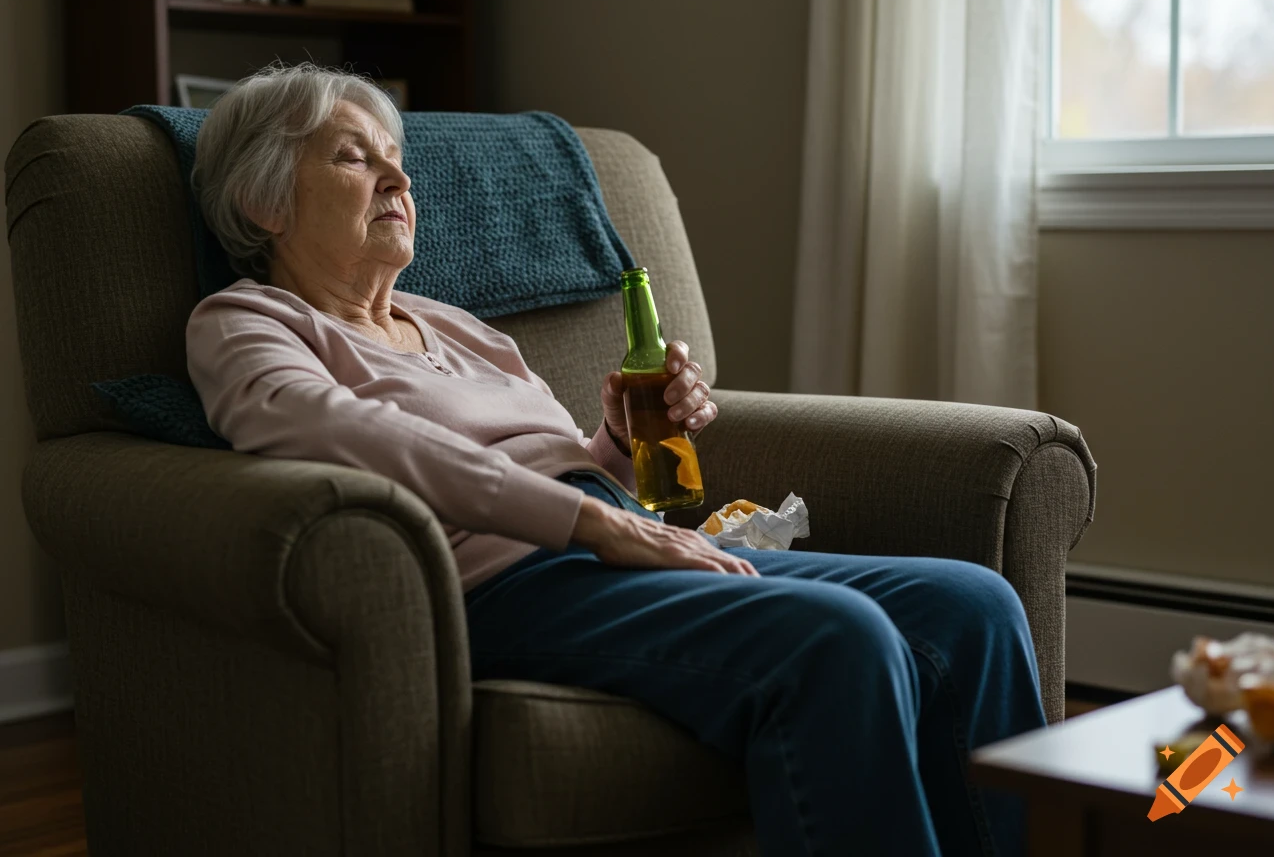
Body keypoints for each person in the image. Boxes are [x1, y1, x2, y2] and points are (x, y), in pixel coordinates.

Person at [186, 62, 1046, 856]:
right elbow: (341, 432)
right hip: (504, 585)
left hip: (607, 540)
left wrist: (623, 444)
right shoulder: (247, 323)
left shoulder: (455, 324)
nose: (400, 179)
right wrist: (593, 520)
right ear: (265, 201)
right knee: (841, 640)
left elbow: (567, 465)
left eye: (397, 159)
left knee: (974, 603)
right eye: (353, 157)